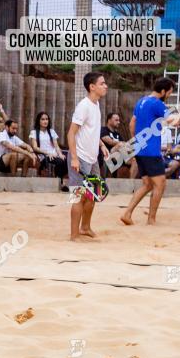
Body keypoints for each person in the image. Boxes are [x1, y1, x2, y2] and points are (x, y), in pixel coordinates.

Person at [120, 77, 180, 226]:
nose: (168, 95)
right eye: (169, 92)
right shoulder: (157, 104)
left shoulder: (141, 101)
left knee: (148, 184)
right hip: (151, 151)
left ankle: (127, 213)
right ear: (163, 91)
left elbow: (132, 124)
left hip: (140, 148)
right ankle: (151, 219)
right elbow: (174, 121)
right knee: (160, 183)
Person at [68, 72, 111, 241]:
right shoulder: (83, 106)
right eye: (102, 83)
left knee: (93, 195)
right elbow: (71, 134)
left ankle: (85, 227)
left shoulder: (96, 104)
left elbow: (91, 131)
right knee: (77, 197)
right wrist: (74, 158)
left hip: (93, 158)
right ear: (92, 87)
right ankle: (74, 235)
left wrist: (101, 145)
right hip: (80, 158)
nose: (105, 86)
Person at [28, 111, 68, 187]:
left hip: (54, 154)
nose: (45, 121)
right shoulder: (34, 132)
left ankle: (59, 179)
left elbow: (56, 146)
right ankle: (60, 182)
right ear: (38, 121)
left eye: (46, 119)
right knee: (60, 162)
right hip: (44, 156)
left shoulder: (51, 131)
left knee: (67, 159)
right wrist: (47, 153)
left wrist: (60, 154)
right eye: (42, 119)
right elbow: (35, 148)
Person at [100, 112, 138, 179]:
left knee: (136, 161)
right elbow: (109, 141)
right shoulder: (103, 130)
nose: (119, 122)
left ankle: (130, 182)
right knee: (120, 145)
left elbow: (124, 145)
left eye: (119, 120)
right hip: (108, 154)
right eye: (116, 120)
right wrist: (122, 144)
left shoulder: (117, 134)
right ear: (109, 120)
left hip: (119, 157)